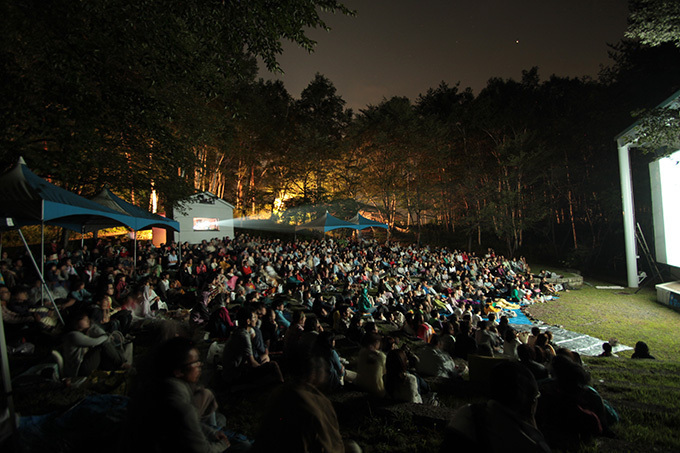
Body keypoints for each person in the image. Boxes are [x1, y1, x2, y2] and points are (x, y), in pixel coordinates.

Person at [125, 337, 247, 453]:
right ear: (178, 372)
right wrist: (223, 445)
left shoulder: (154, 387)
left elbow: (187, 426)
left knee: (220, 419)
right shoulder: (180, 407)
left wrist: (211, 433)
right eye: (196, 362)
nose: (200, 365)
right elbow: (203, 450)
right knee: (244, 446)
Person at [440, 361, 551, 452]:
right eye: (536, 396)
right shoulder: (530, 444)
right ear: (529, 401)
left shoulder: (466, 413)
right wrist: (531, 424)